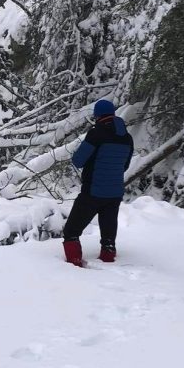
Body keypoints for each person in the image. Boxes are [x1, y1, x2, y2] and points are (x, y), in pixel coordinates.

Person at [62, 99, 133, 266]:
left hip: (93, 191)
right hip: (115, 193)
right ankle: (108, 258)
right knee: (108, 234)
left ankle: (74, 264)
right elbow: (125, 165)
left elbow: (78, 160)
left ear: (97, 116)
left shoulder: (96, 133)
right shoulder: (127, 138)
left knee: (71, 231)